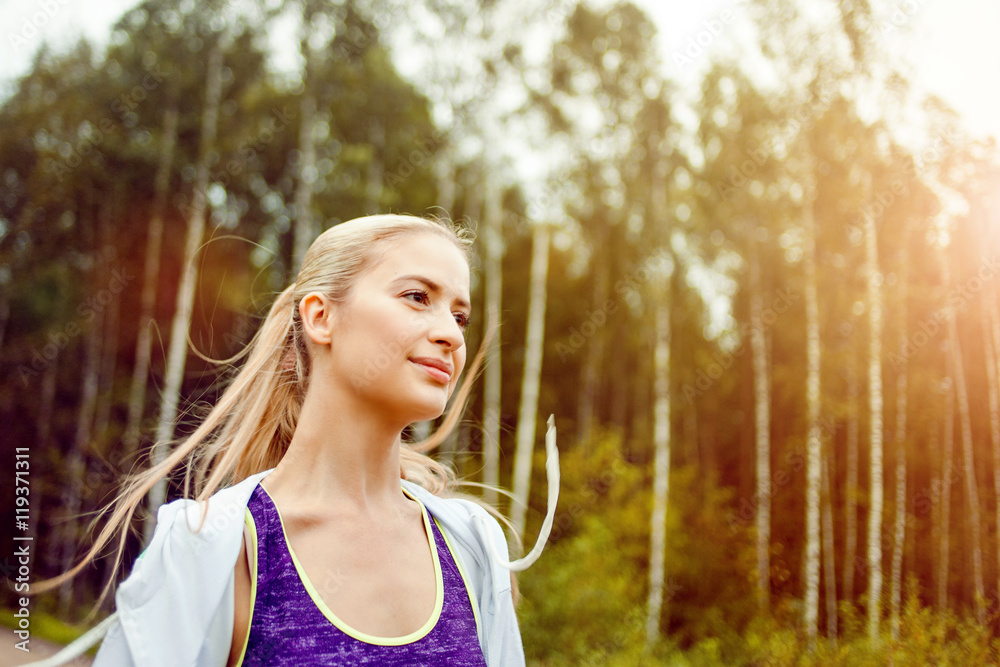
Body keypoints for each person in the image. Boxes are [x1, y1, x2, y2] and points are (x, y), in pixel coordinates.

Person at [27, 214, 559, 667]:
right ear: (321, 317)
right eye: (417, 297)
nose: (452, 333)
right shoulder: (212, 548)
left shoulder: (473, 546)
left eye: (460, 314)